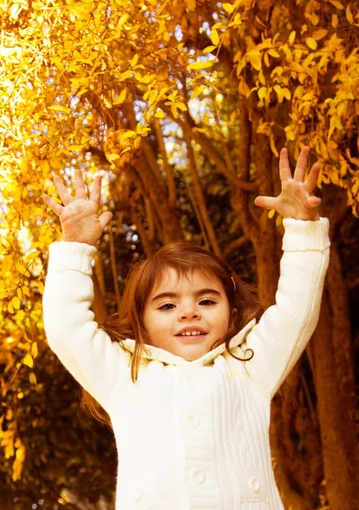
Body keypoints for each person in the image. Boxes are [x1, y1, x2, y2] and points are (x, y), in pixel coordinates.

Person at [42, 146, 330, 510]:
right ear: (141, 320)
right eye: (167, 305)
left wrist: (303, 226)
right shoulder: (124, 375)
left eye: (207, 301)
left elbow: (296, 310)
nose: (189, 312)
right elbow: (66, 327)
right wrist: (75, 246)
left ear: (230, 311)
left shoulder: (248, 366)